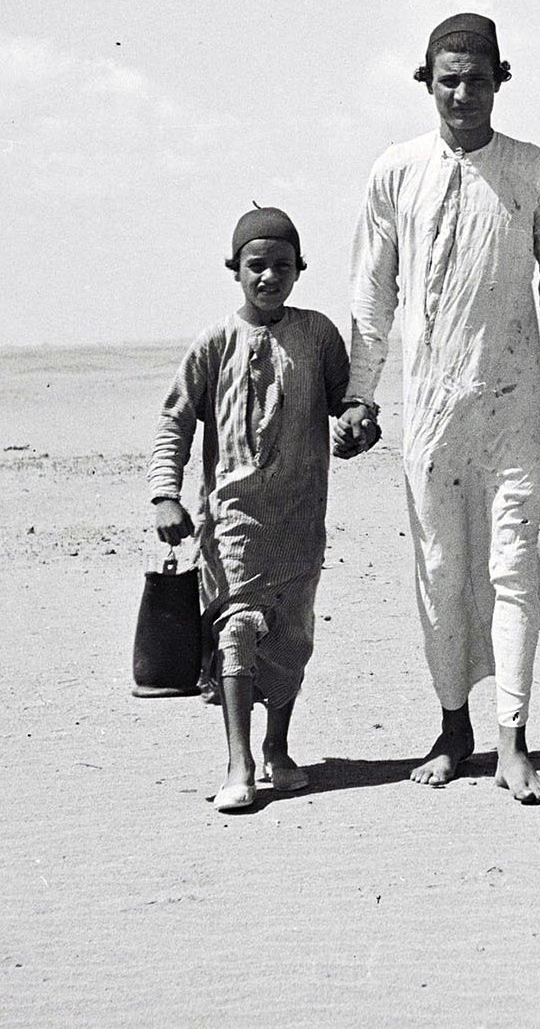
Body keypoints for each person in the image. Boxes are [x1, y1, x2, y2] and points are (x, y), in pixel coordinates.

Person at [336, 13, 540, 804]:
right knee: (440, 573)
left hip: (515, 406)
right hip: (431, 414)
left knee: (512, 569)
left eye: (477, 79)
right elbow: (372, 294)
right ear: (428, 82)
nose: (462, 94)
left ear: (500, 81)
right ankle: (453, 727)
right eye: (448, 80)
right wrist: (359, 394)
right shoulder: (396, 171)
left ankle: (512, 742)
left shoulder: (531, 168)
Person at [150, 207, 362, 810]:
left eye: (281, 265)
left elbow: (347, 403)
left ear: (299, 269)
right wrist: (165, 494)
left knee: (291, 637)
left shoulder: (318, 335)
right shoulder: (215, 342)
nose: (269, 276)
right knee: (238, 630)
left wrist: (357, 427)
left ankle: (278, 748)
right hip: (233, 519)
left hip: (299, 518)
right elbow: (175, 419)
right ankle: (238, 762)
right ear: (235, 270)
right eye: (256, 265)